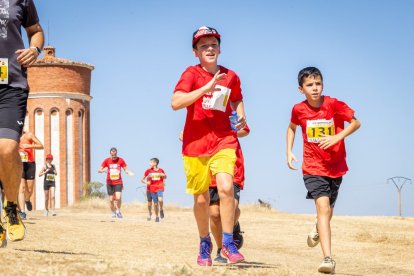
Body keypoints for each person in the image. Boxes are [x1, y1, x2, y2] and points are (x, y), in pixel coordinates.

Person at [171, 26, 247, 265]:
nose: (210, 49)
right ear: (196, 52)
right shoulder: (191, 74)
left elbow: (236, 99)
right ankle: (204, 242)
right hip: (195, 145)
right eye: (203, 46)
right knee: (201, 200)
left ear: (220, 48)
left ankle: (227, 242)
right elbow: (176, 102)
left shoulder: (231, 76)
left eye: (213, 44)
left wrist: (242, 115)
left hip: (224, 140)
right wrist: (206, 87)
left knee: (226, 188)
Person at [286, 67, 361, 273]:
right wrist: (289, 151)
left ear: (323, 85)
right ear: (301, 89)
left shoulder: (334, 104)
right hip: (312, 167)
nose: (315, 88)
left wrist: (337, 137)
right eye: (310, 85)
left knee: (327, 212)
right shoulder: (298, 109)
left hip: (336, 167)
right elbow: (291, 127)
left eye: (318, 84)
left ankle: (318, 226)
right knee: (322, 208)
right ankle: (328, 259)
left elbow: (356, 123)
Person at [0, 0, 44, 241]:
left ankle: (10, 208)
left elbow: (35, 31)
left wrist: (34, 50)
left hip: (10, 85)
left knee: (7, 149)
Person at [209, 124, 249, 263]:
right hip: (209, 169)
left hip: (231, 167)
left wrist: (224, 132)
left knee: (232, 207)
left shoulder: (227, 106)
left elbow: (245, 129)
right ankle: (221, 249)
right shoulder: (199, 105)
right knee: (214, 214)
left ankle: (233, 227)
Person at [98, 147, 134, 219]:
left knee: (118, 197)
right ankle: (113, 212)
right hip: (109, 182)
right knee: (111, 199)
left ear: (116, 153)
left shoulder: (121, 160)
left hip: (118, 182)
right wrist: (102, 170)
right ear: (110, 154)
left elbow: (125, 169)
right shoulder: (106, 160)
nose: (113, 156)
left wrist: (129, 172)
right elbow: (99, 169)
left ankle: (118, 211)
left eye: (114, 154)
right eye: (112, 155)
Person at [18, 130, 44, 219]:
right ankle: (22, 212)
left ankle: (27, 199)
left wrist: (29, 145)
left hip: (30, 164)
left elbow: (41, 146)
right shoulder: (13, 136)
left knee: (29, 189)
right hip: (19, 164)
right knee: (22, 188)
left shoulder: (29, 135)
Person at [141, 158, 167, 222]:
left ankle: (160, 210)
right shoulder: (148, 171)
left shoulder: (161, 170)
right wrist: (147, 183)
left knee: (160, 200)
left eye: (151, 162)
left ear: (155, 163)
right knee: (152, 204)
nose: (150, 164)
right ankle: (151, 213)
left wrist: (163, 176)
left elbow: (165, 177)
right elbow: (141, 179)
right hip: (150, 189)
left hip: (159, 187)